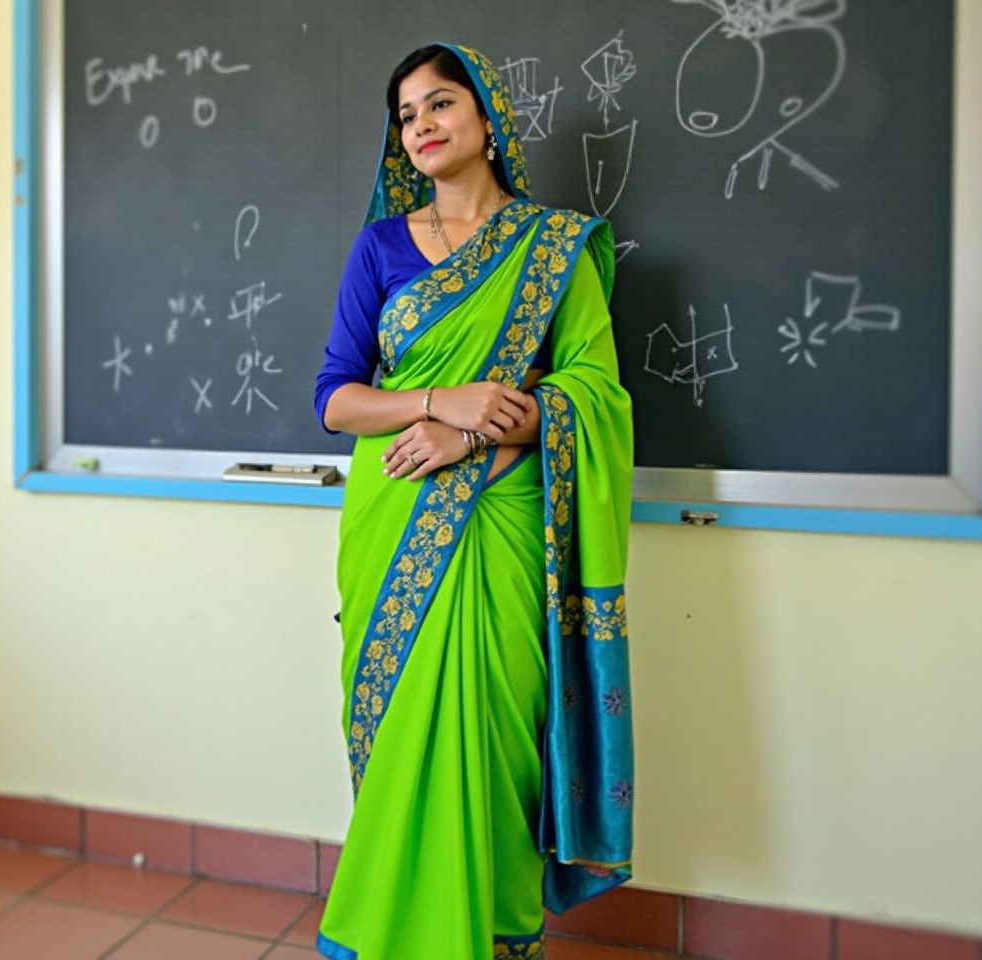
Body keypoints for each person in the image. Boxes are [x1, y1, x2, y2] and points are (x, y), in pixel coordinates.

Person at [313, 42, 635, 960]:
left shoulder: (554, 246)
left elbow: (595, 394)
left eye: (440, 104)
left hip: (503, 525)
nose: (421, 124)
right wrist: (435, 402)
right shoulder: (379, 246)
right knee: (400, 744)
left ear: (488, 122)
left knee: (495, 743)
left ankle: (487, 940)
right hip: (395, 519)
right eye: (406, 114)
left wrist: (482, 430)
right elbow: (336, 398)